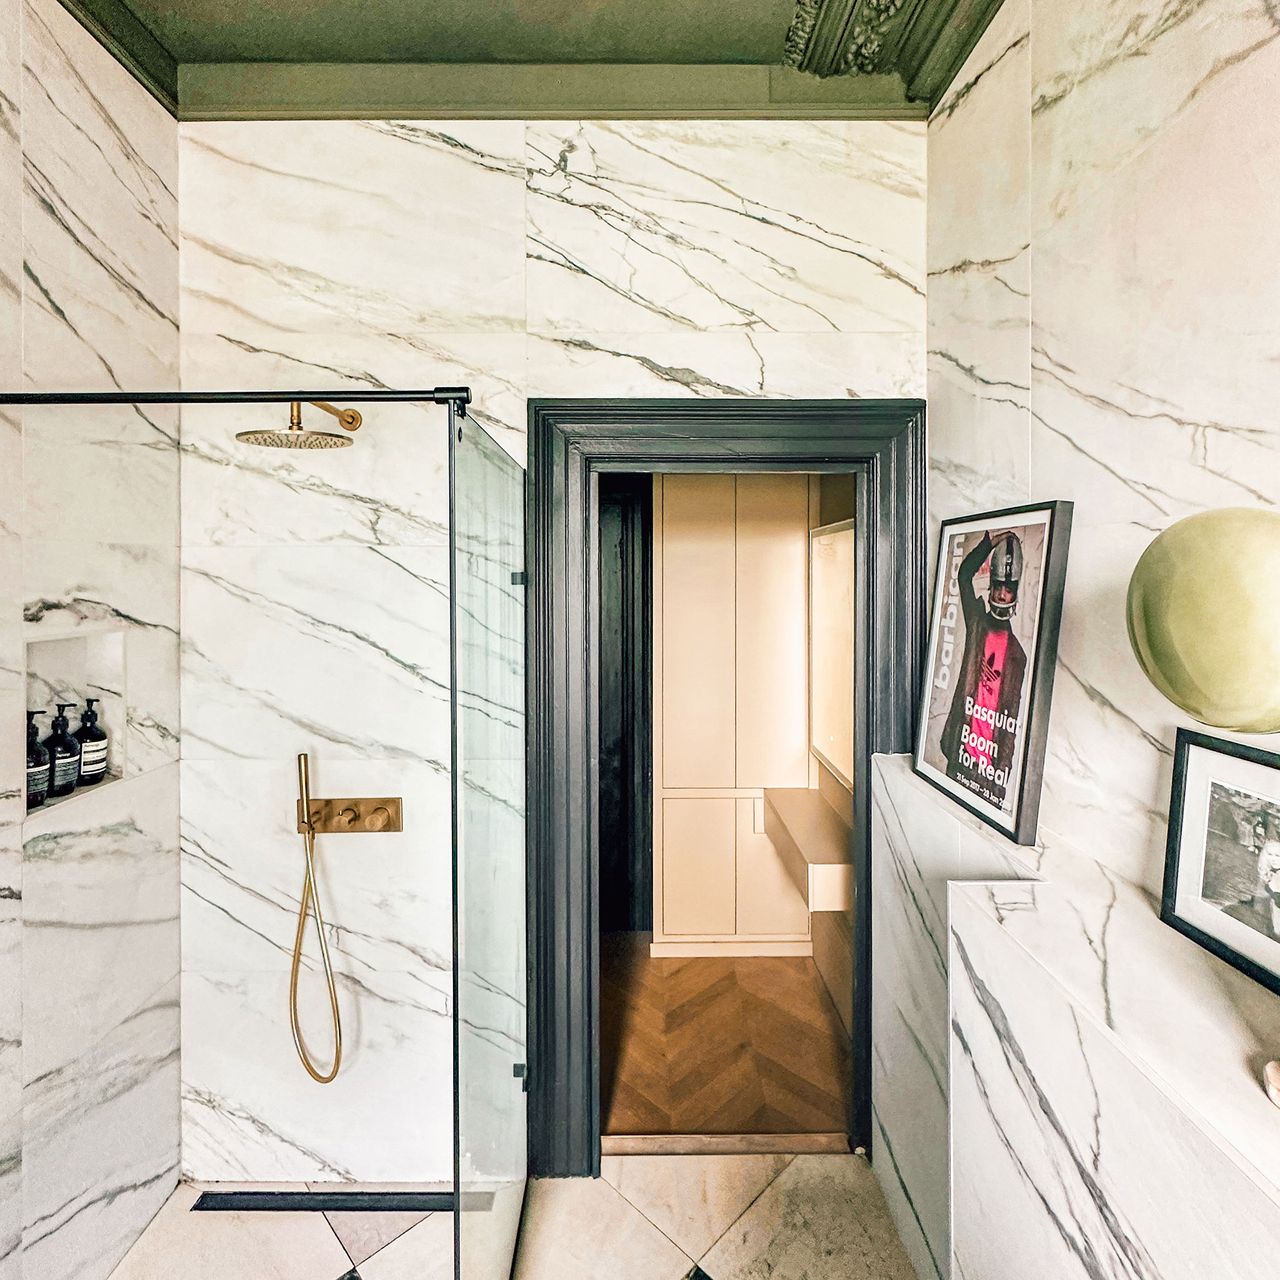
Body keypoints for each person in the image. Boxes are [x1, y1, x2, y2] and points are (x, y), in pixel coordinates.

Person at [940, 529, 1028, 810]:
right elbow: (964, 576)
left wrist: (1001, 776)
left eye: (1009, 588)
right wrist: (990, 543)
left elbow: (1011, 720)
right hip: (961, 748)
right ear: (990, 587)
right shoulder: (977, 623)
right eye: (999, 586)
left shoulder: (1018, 657)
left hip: (988, 769)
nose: (1003, 594)